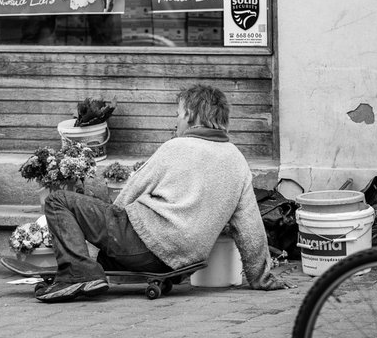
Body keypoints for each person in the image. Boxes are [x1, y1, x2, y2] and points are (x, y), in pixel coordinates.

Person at [39, 83, 289, 302]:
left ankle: (77, 273)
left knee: (58, 200)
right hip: (181, 263)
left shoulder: (176, 147)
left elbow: (128, 196)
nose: (176, 121)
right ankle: (89, 270)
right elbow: (250, 227)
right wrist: (261, 277)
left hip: (144, 242)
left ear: (191, 115)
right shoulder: (237, 160)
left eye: (178, 114)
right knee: (104, 259)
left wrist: (108, 227)